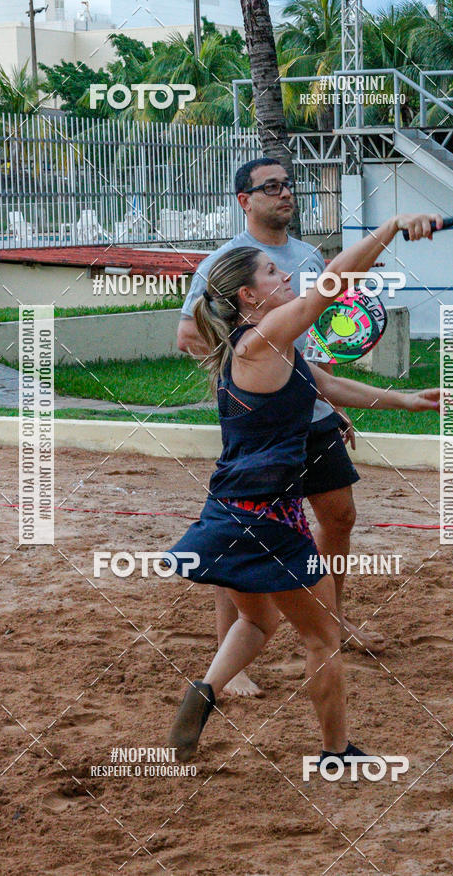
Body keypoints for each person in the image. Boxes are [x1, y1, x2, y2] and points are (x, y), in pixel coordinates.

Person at [166, 210, 442, 763]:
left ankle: (203, 692)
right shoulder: (260, 342)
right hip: (271, 521)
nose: (287, 277)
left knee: (256, 619)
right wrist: (388, 228)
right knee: (321, 638)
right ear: (248, 295)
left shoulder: (264, 351)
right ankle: (335, 752)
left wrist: (406, 401)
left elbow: (330, 383)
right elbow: (332, 283)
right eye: (273, 272)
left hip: (228, 512)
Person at [178, 158, 384, 699]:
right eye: (271, 187)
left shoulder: (306, 257)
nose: (285, 194)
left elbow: (307, 344)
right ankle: (236, 659)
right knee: (242, 540)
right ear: (244, 200)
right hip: (265, 425)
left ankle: (326, 626)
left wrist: (309, 394)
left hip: (310, 415)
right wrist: (250, 379)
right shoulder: (229, 264)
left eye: (289, 184)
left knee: (338, 516)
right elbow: (190, 337)